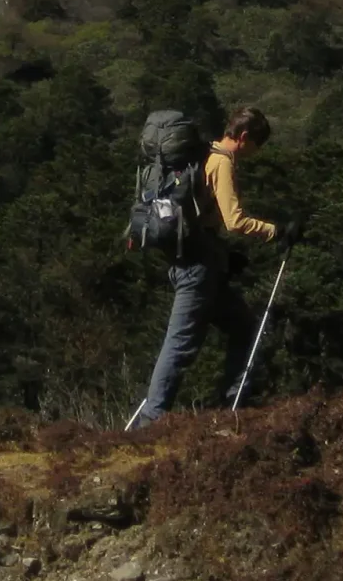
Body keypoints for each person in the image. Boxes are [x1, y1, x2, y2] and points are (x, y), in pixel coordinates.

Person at [127, 107, 300, 425]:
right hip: (198, 269)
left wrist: (223, 256)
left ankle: (232, 403)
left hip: (198, 261)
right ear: (244, 137)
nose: (254, 154)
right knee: (179, 343)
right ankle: (149, 422)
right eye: (255, 146)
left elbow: (203, 216)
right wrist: (276, 231)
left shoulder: (204, 153)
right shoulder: (222, 162)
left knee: (244, 327)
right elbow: (234, 221)